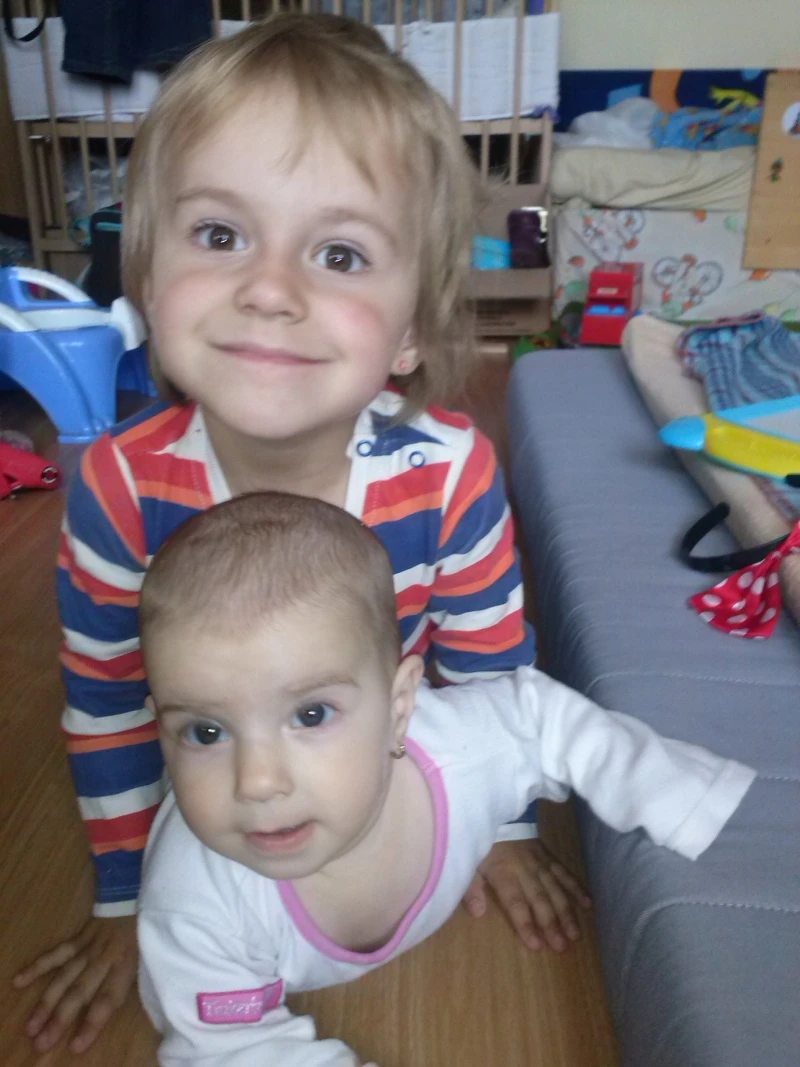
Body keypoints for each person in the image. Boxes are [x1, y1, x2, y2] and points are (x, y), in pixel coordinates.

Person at [13, 13, 590, 1055]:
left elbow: (489, 666)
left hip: (390, 750)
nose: (270, 290)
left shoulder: (449, 469)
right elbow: (108, 703)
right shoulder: (118, 486)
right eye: (219, 235)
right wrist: (121, 899)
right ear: (147, 278)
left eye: (338, 252)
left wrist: (505, 828)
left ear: (409, 331)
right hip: (217, 780)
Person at [137, 491, 755, 1067]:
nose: (257, 782)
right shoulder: (194, 902)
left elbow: (545, 719)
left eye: (311, 715)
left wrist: (679, 798)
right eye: (205, 732)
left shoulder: (466, 749)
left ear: (399, 707)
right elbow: (230, 1049)